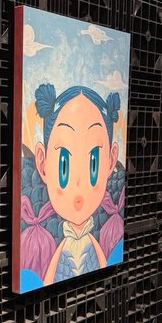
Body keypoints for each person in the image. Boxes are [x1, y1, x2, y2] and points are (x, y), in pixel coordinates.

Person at [27, 83, 121, 285]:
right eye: (64, 164)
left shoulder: (98, 244)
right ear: (42, 162)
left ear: (111, 160)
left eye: (93, 163)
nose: (79, 183)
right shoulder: (47, 250)